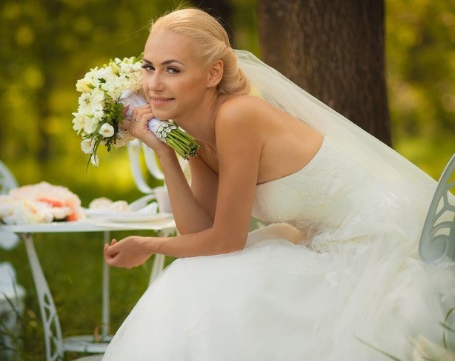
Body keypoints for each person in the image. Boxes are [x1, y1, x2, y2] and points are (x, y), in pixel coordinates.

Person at [102, 7, 455, 360]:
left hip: (375, 242)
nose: (153, 84)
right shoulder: (195, 133)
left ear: (213, 74)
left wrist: (148, 245)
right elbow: (200, 233)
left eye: (172, 69)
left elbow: (225, 240)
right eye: (149, 66)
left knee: (214, 281)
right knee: (200, 272)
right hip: (320, 243)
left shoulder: (238, 116)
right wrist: (165, 153)